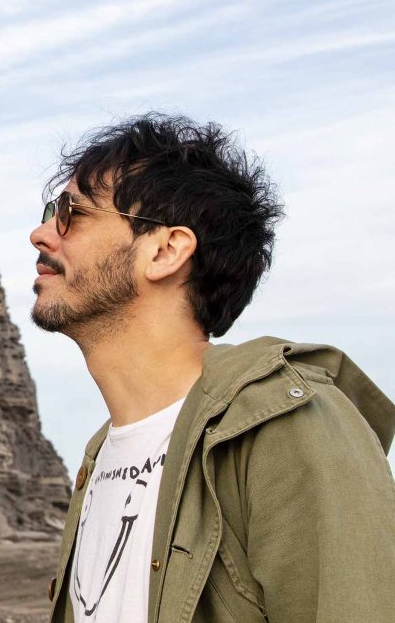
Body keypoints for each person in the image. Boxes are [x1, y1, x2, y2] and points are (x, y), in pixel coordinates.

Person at [30, 113, 395, 623]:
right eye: (51, 212)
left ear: (165, 251)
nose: (41, 234)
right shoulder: (98, 459)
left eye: (73, 213)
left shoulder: (283, 427)